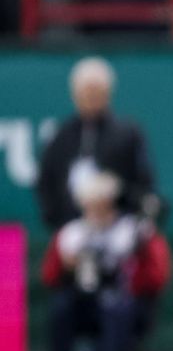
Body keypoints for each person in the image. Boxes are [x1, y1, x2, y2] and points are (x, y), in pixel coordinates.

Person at [40, 171, 169, 351]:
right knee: (61, 310)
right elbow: (50, 276)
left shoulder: (130, 230)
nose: (96, 210)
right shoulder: (72, 233)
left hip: (118, 299)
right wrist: (69, 265)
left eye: (101, 203)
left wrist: (137, 253)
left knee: (114, 310)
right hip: (80, 299)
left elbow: (155, 274)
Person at [36, 58, 157, 232]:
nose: (91, 98)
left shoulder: (127, 134)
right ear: (75, 94)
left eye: (96, 92)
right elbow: (46, 182)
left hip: (119, 223)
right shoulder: (61, 137)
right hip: (72, 224)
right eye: (86, 92)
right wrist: (60, 218)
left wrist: (116, 193)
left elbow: (143, 182)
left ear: (108, 93)